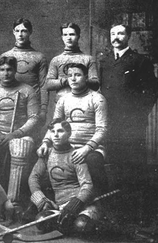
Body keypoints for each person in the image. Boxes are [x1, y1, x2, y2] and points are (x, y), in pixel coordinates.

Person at [0, 56, 39, 211]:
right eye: (2, 70)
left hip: (18, 133)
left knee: (21, 146)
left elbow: (33, 118)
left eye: (9, 69)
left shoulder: (27, 90)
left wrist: (16, 134)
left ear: (15, 70)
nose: (6, 73)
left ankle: (14, 202)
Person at [98, 24, 158, 180]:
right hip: (110, 119)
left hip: (132, 122)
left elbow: (152, 91)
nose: (116, 37)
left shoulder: (140, 60)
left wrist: (139, 113)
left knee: (133, 163)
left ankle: (135, 199)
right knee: (113, 160)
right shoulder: (104, 60)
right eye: (113, 34)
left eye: (120, 33)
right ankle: (116, 198)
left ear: (128, 36)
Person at [38, 63, 108, 196]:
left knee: (93, 160)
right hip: (66, 146)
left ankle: (98, 202)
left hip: (90, 147)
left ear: (86, 77)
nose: (73, 79)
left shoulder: (97, 99)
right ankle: (46, 201)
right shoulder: (63, 100)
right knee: (44, 156)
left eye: (78, 75)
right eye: (70, 75)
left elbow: (102, 129)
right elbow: (54, 125)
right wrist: (45, 142)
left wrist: (86, 148)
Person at [29, 119, 100, 235]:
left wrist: (75, 204)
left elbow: (87, 185)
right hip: (60, 206)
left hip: (80, 204)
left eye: (60, 131)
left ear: (69, 134)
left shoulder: (76, 155)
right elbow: (33, 178)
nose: (56, 135)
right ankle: (65, 223)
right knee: (41, 221)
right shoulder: (47, 154)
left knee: (82, 226)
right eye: (52, 131)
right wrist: (41, 200)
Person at [0, 18, 48, 124]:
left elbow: (44, 85)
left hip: (32, 104)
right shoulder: (5, 56)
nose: (20, 34)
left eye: (24, 31)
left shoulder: (39, 57)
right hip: (9, 103)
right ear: (13, 32)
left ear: (30, 32)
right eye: (17, 31)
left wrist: (43, 110)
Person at [46, 23, 99, 119]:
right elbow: (48, 84)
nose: (68, 38)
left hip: (83, 103)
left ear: (78, 36)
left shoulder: (88, 59)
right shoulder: (56, 60)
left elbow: (95, 83)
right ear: (62, 37)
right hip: (61, 103)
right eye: (65, 35)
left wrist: (80, 81)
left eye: (72, 34)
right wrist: (67, 80)